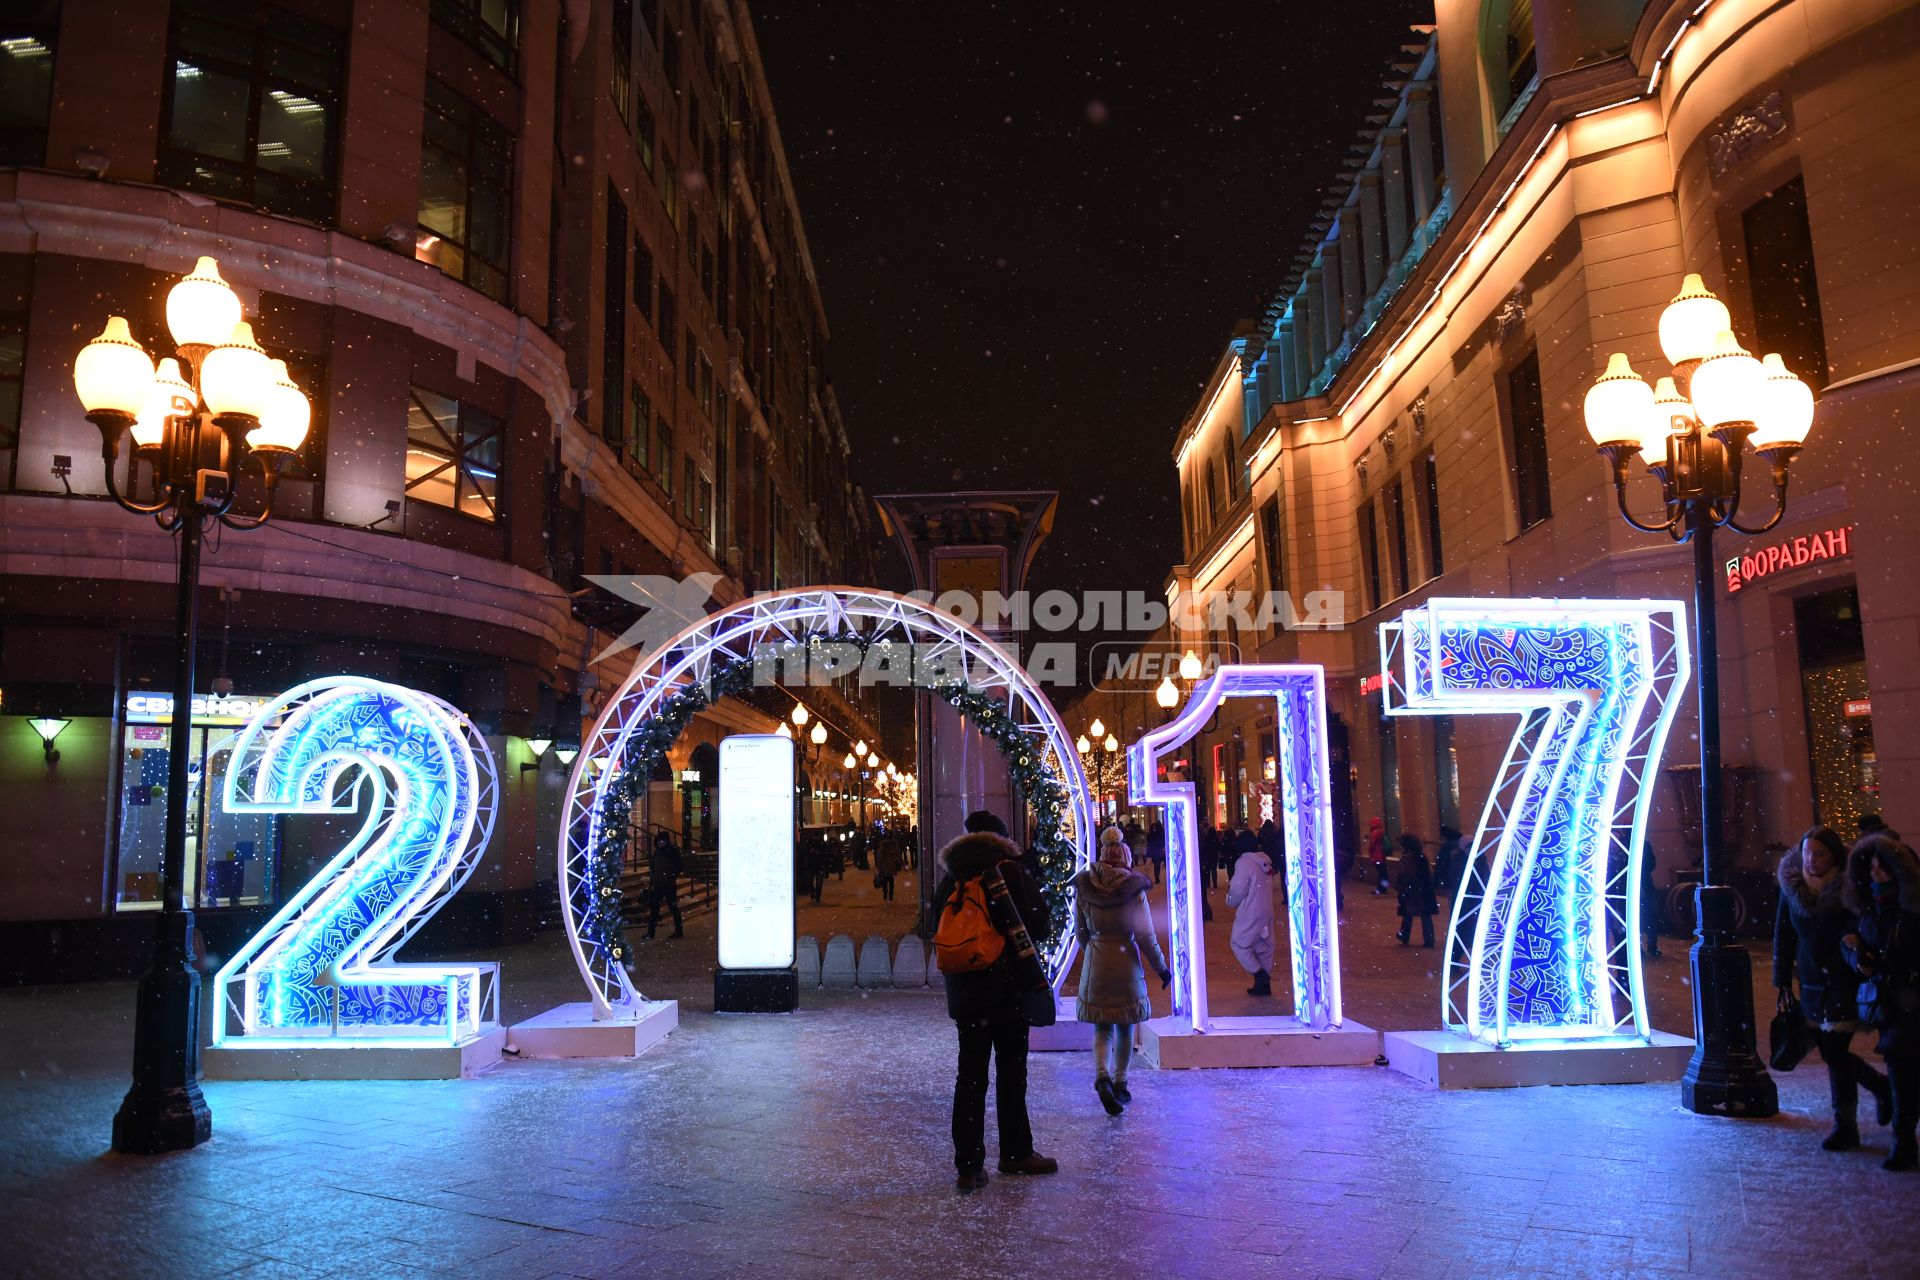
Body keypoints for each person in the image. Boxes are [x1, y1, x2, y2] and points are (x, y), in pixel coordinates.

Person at [934, 809, 1057, 1189]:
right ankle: (1015, 1152)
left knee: (969, 1077)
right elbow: (1040, 925)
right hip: (1008, 993)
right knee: (1010, 1073)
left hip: (967, 995)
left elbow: (933, 927)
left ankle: (969, 1166)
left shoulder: (951, 880)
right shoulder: (1013, 874)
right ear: (1001, 840)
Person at [1774, 827, 1888, 1153]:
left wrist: (1855, 956)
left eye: (1819, 853)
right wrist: (1781, 976)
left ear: (1834, 856)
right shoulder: (1793, 887)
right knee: (1831, 1054)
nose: (1811, 859)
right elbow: (1783, 934)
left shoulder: (1847, 888)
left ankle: (1848, 1123)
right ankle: (1875, 1092)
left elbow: (1856, 929)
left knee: (1834, 1052)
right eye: (1808, 852)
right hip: (1810, 983)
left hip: (1842, 981)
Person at [1073, 826, 1169, 1116]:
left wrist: (1091, 950)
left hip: (1097, 960)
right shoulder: (1133, 891)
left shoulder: (1085, 887)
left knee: (1102, 1028)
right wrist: (1162, 969)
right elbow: (1146, 936)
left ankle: (1102, 1076)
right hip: (1125, 964)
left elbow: (1080, 932)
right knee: (1125, 1028)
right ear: (1125, 857)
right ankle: (1120, 1082)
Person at [1842, 833, 1920, 1171]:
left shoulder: (1910, 912)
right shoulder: (1868, 912)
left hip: (1913, 1002)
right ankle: (1903, 1141)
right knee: (1901, 1071)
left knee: (1905, 1071)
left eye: (1883, 869)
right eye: (1872, 869)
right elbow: (1858, 951)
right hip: (1892, 1007)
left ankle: (1904, 1141)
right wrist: (1857, 955)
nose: (1876, 875)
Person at [1225, 828, 1278, 995]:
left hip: (1251, 911)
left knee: (1239, 944)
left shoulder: (1245, 863)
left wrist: (1230, 900)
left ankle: (1260, 975)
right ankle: (1263, 984)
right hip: (1266, 910)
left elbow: (1238, 889)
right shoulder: (1264, 862)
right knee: (1263, 946)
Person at [1395, 832, 1437, 948]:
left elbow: (1404, 875)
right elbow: (1428, 873)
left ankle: (1404, 935)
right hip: (1424, 888)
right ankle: (1429, 939)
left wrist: (1401, 888)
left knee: (1408, 913)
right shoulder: (1422, 856)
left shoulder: (1406, 858)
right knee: (1425, 915)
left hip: (1412, 890)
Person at [644, 829, 684, 940]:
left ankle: (678, 930)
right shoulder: (657, 852)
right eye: (659, 841)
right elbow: (652, 866)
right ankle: (651, 932)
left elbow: (679, 866)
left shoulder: (673, 851)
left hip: (669, 885)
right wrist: (653, 877)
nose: (661, 843)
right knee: (654, 909)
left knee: (673, 908)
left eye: (663, 841)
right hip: (657, 884)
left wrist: (671, 877)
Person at [1433, 825, 1464, 898]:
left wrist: (1436, 882)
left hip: (1450, 880)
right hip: (1463, 879)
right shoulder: (1462, 846)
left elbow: (1440, 865)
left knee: (1453, 900)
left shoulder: (1446, 848)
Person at [875, 834, 902, 902]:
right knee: (891, 881)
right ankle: (890, 896)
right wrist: (903, 864)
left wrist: (878, 867)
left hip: (884, 867)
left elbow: (879, 859)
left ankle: (885, 892)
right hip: (891, 866)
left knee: (884, 881)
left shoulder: (881, 848)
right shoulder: (894, 847)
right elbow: (899, 856)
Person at [1367, 817, 1389, 894]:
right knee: (1383, 872)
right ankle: (1384, 888)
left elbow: (1372, 844)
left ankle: (1380, 889)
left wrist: (1369, 851)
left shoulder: (1375, 832)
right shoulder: (1381, 831)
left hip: (1377, 856)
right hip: (1381, 856)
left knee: (1381, 873)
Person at [1145, 819, 1167, 885]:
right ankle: (1156, 878)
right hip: (1158, 851)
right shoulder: (1161, 834)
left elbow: (1148, 842)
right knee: (1157, 865)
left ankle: (1155, 878)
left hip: (1154, 851)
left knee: (1155, 865)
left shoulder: (1151, 834)